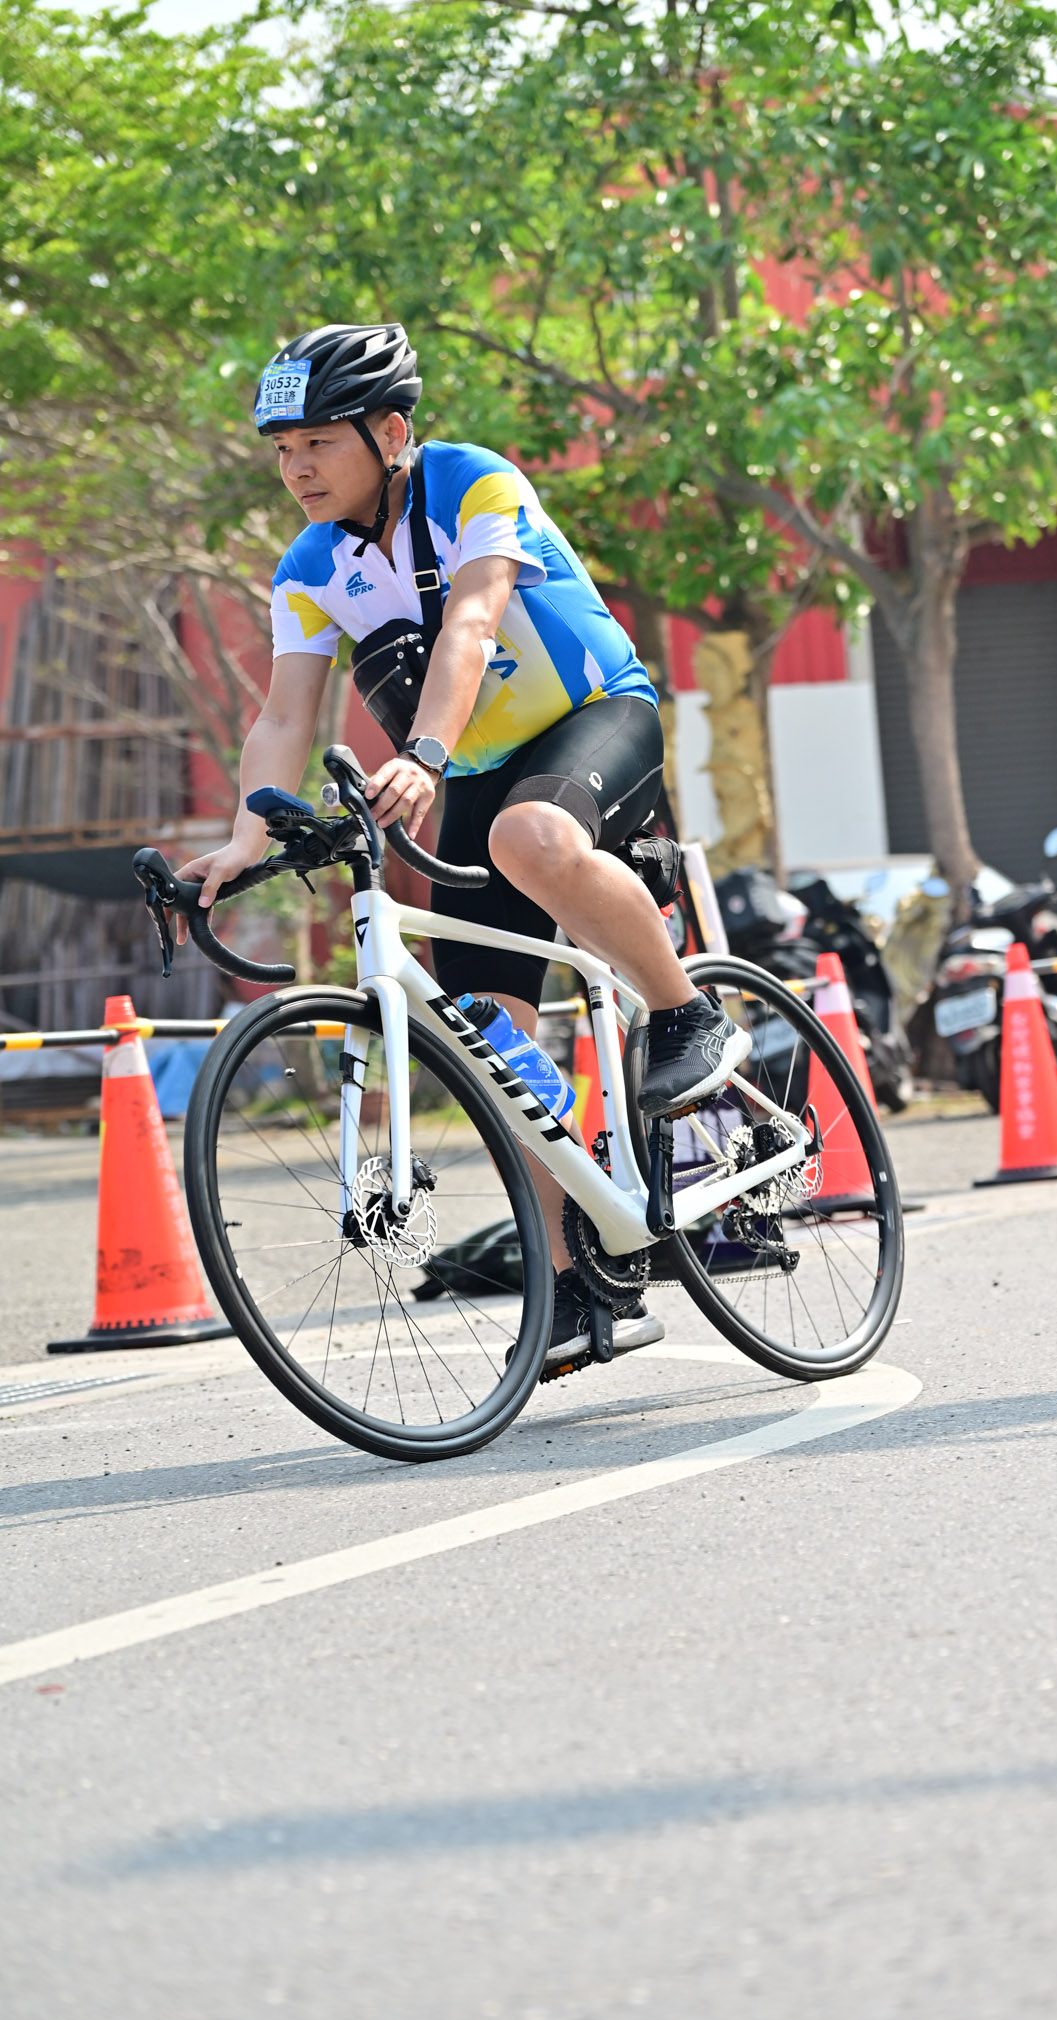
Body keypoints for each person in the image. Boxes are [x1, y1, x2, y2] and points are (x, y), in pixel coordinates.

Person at [177, 324, 748, 1373]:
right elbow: (285, 713)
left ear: (391, 433)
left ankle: (684, 1010)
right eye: (283, 449)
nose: (297, 467)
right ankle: (583, 1281)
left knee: (529, 835)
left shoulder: (473, 481)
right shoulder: (309, 567)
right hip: (471, 769)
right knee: (494, 1044)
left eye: (319, 442)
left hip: (594, 719)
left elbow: (473, 624)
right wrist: (245, 837)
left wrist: (425, 755)